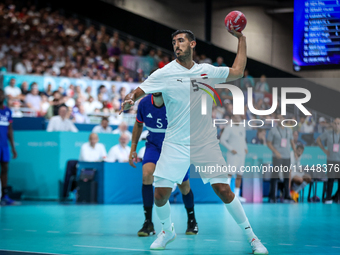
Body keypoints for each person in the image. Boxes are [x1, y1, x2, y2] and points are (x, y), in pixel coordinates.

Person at [119, 29, 268, 253]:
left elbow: (237, 71)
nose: (176, 45)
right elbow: (138, 92)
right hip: (175, 142)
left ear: (192, 44)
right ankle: (167, 230)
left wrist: (242, 39)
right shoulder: (164, 73)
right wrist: (129, 99)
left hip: (205, 142)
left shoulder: (206, 71)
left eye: (181, 41)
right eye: (174, 42)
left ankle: (253, 237)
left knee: (224, 190)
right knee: (160, 194)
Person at [129, 92, 198, 236]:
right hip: (154, 146)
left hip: (175, 146)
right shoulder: (144, 103)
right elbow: (138, 124)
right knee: (146, 175)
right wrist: (133, 148)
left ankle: (192, 220)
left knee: (184, 186)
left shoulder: (176, 102)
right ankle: (148, 223)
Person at [267, 114, 296, 203]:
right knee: (275, 176)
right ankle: (272, 196)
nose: (280, 119)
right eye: (278, 118)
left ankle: (286, 195)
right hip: (277, 156)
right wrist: (276, 152)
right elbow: (268, 143)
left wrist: (294, 151)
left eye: (281, 118)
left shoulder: (289, 130)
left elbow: (291, 141)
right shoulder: (273, 130)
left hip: (287, 156)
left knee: (286, 176)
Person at [220, 115, 248, 202]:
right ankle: (226, 195)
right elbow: (222, 140)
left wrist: (245, 147)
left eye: (238, 117)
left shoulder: (242, 127)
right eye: (235, 117)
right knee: (229, 174)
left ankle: (237, 196)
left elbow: (243, 139)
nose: (237, 119)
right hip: (233, 155)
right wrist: (231, 149)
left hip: (242, 154)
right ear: (232, 118)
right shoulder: (229, 128)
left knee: (239, 175)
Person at [0, 89, 18, 205]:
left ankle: (4, 195)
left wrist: (13, 147)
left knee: (5, 169)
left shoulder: (7, 111)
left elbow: (10, 130)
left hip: (4, 146)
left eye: (1, 94)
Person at [316, 118, 340, 204]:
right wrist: (324, 150)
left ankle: (337, 197)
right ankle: (328, 198)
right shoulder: (328, 133)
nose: (337, 125)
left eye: (338, 124)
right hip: (331, 160)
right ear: (332, 124)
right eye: (335, 123)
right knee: (331, 180)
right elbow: (318, 140)